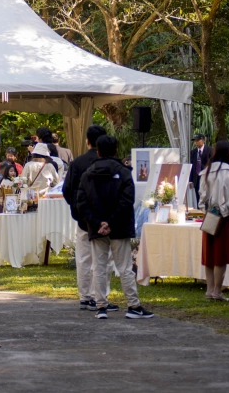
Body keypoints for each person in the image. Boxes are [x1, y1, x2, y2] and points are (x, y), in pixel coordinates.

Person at [76, 135, 154, 320]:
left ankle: (101, 306)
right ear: (116, 151)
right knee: (125, 268)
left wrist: (97, 223)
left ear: (98, 151)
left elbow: (82, 202)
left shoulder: (88, 174)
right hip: (118, 227)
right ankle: (133, 305)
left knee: (99, 267)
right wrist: (110, 223)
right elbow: (127, 201)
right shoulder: (124, 172)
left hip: (96, 228)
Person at [63, 124, 113, 311]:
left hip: (83, 217)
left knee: (83, 257)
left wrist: (77, 209)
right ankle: (100, 296)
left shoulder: (77, 163)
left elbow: (67, 190)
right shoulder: (110, 163)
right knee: (103, 258)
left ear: (87, 141)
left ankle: (85, 295)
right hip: (104, 218)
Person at [199, 140, 229, 301]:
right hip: (223, 219)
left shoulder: (206, 171)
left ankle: (210, 290)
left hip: (209, 217)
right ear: (228, 153)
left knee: (209, 256)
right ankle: (217, 290)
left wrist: (207, 211)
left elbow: (201, 197)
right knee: (220, 256)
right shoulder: (227, 173)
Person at [190, 133, 213, 199]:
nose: (196, 142)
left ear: (203, 140)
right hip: (196, 179)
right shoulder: (193, 152)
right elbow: (191, 167)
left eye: (198, 140)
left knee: (206, 196)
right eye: (195, 141)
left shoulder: (210, 150)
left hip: (206, 177)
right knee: (197, 197)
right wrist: (190, 180)